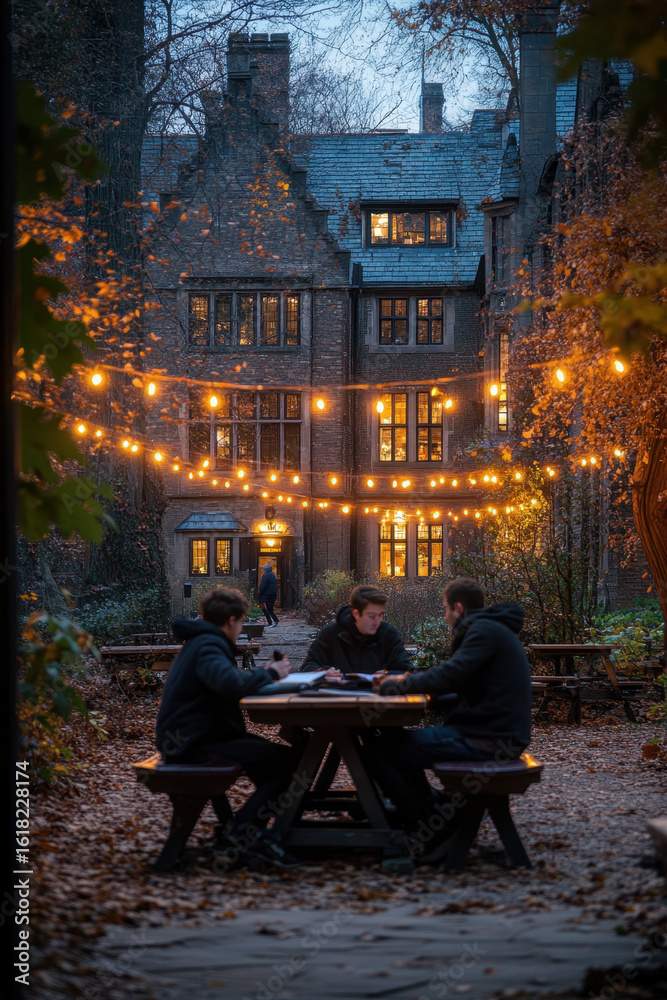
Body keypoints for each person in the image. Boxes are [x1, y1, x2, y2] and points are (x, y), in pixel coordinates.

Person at [365, 577, 532, 846]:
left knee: (375, 750)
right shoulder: (491, 629)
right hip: (498, 734)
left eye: (445, 609)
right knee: (388, 745)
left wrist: (400, 685)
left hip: (488, 740)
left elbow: (453, 674)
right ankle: (432, 811)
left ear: (458, 607)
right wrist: (427, 699)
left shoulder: (484, 631)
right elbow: (468, 688)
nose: (445, 618)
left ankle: (426, 827)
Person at [156, 587, 302, 868]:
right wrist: (271, 673)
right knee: (289, 763)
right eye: (242, 622)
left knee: (279, 759)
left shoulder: (201, 641)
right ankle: (243, 836)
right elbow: (227, 683)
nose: (240, 628)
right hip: (195, 744)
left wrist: (262, 675)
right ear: (232, 620)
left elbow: (225, 681)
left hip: (196, 738)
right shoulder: (208, 644)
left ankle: (253, 833)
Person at [300, 584, 413, 676]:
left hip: (378, 698)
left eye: (380, 615)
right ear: (356, 613)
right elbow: (308, 666)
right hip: (339, 699)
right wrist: (324, 673)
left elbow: (407, 670)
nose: (377, 621)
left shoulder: (388, 634)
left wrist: (389, 675)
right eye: (371, 616)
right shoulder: (331, 633)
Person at [258, 563, 279, 627]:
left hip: (267, 594)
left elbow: (263, 586)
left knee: (266, 608)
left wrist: (259, 592)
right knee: (269, 608)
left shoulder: (266, 576)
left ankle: (272, 621)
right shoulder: (273, 575)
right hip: (273, 593)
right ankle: (273, 621)